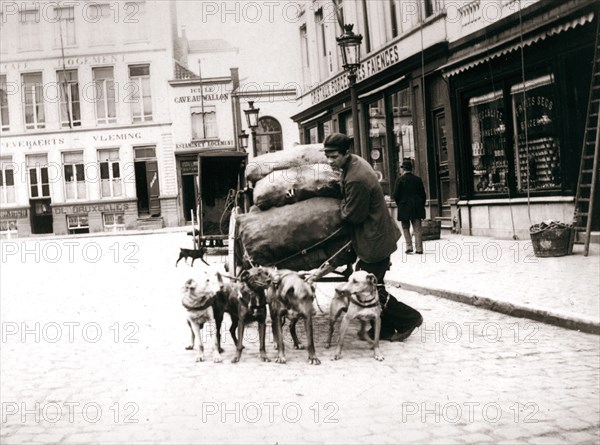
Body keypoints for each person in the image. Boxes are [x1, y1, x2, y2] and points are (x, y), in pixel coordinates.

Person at [320, 133, 423, 342]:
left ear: (345, 153)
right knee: (375, 284)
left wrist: (337, 210)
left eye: (333, 157)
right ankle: (383, 329)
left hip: (374, 240)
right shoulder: (353, 165)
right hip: (376, 235)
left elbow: (354, 215)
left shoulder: (356, 178)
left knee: (368, 287)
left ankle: (410, 318)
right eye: (327, 156)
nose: (330, 161)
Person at [393, 160, 426, 254]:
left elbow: (395, 195)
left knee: (405, 227)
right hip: (416, 206)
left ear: (403, 169)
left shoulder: (399, 180)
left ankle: (409, 246)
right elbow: (423, 195)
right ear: (411, 169)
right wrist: (421, 205)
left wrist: (400, 204)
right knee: (417, 228)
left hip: (404, 206)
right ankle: (419, 249)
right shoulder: (418, 179)